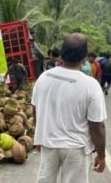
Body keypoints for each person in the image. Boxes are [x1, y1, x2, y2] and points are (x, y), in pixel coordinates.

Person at [32, 33, 106, 183]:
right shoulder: (91, 85)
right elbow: (96, 126)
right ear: (85, 56)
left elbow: (36, 110)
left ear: (62, 52)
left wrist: (38, 137)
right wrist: (101, 155)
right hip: (76, 149)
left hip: (49, 143)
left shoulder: (44, 78)